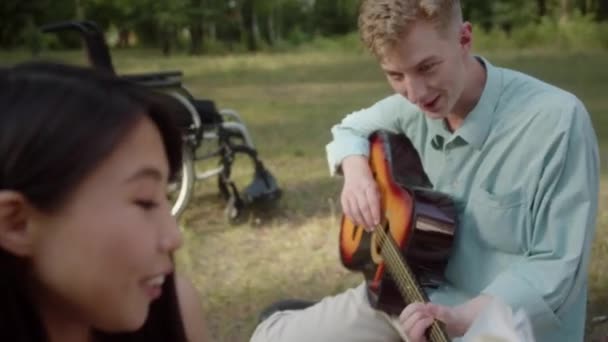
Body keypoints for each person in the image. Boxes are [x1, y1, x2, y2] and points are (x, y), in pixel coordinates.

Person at [250, 0, 599, 341]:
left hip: (501, 328)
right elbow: (350, 130)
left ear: (464, 39)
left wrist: (461, 319)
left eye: (427, 67)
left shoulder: (556, 121)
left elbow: (556, 266)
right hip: (404, 296)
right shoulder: (409, 110)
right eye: (395, 75)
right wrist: (355, 173)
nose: (415, 93)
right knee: (269, 336)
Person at [0, 62, 209, 342]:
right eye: (145, 201)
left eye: (166, 198)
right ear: (16, 223)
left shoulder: (174, 313)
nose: (174, 237)